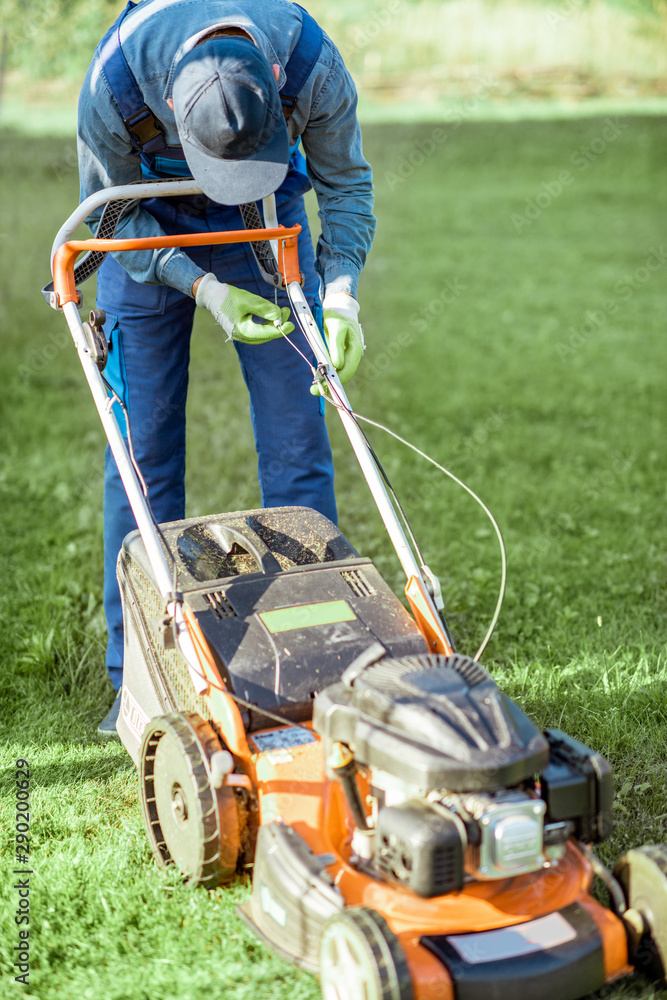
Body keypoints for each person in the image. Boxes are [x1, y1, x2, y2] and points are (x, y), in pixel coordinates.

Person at [76, 0, 377, 738]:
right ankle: (139, 677)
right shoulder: (111, 87)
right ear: (171, 104)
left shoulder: (310, 62)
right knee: (140, 460)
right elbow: (108, 216)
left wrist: (339, 299)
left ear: (273, 83)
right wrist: (202, 287)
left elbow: (345, 183)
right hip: (142, 225)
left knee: (297, 444)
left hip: (266, 224)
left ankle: (320, 660)